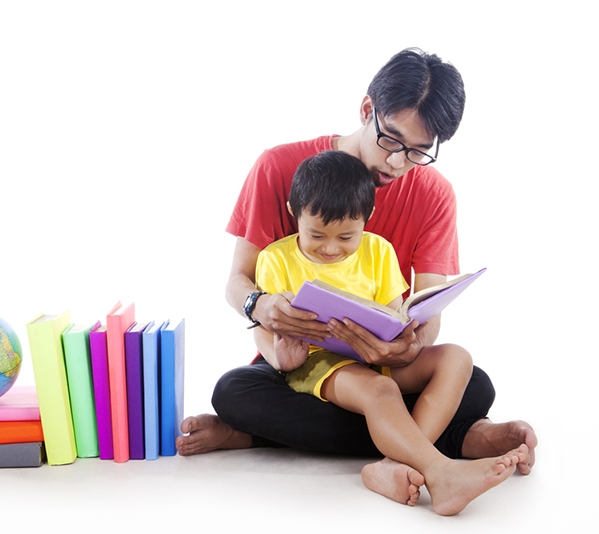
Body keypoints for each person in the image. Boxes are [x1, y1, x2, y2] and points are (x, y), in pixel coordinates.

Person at [176, 48, 537, 504]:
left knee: (472, 381)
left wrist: (410, 344)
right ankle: (453, 441)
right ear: (368, 110)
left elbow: (428, 310)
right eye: (392, 139)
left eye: (419, 152)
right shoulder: (280, 167)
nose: (397, 163)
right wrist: (260, 306)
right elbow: (237, 282)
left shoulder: (435, 194)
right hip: (304, 364)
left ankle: (390, 461)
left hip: (383, 365)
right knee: (234, 390)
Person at [252, 149, 526, 514]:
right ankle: (439, 471)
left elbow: (396, 313)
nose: (331, 248)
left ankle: (395, 465)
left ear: (369, 218)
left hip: (375, 355)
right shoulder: (275, 258)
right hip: (317, 362)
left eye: (347, 237)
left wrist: (404, 342)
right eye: (316, 235)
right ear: (293, 213)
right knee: (379, 389)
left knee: (458, 359)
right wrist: (279, 359)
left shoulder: (379, 251)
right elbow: (263, 328)